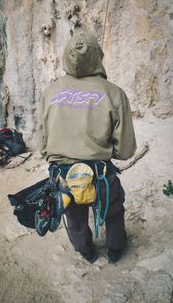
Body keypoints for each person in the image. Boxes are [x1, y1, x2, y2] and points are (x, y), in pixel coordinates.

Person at [38, 30, 136, 264]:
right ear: (97, 56)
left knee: (74, 215)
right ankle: (115, 250)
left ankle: (86, 251)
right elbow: (126, 150)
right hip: (100, 175)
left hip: (63, 176)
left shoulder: (49, 92)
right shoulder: (114, 93)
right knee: (113, 210)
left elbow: (43, 146)